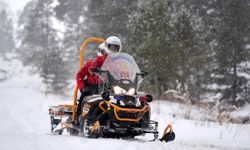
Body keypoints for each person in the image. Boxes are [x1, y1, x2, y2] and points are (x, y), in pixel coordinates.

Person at [76, 36, 122, 123]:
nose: (114, 49)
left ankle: (120, 118)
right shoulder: (97, 60)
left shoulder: (118, 61)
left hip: (111, 86)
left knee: (121, 98)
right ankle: (80, 117)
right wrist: (82, 87)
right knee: (86, 96)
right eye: (112, 47)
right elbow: (89, 70)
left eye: (116, 47)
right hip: (95, 85)